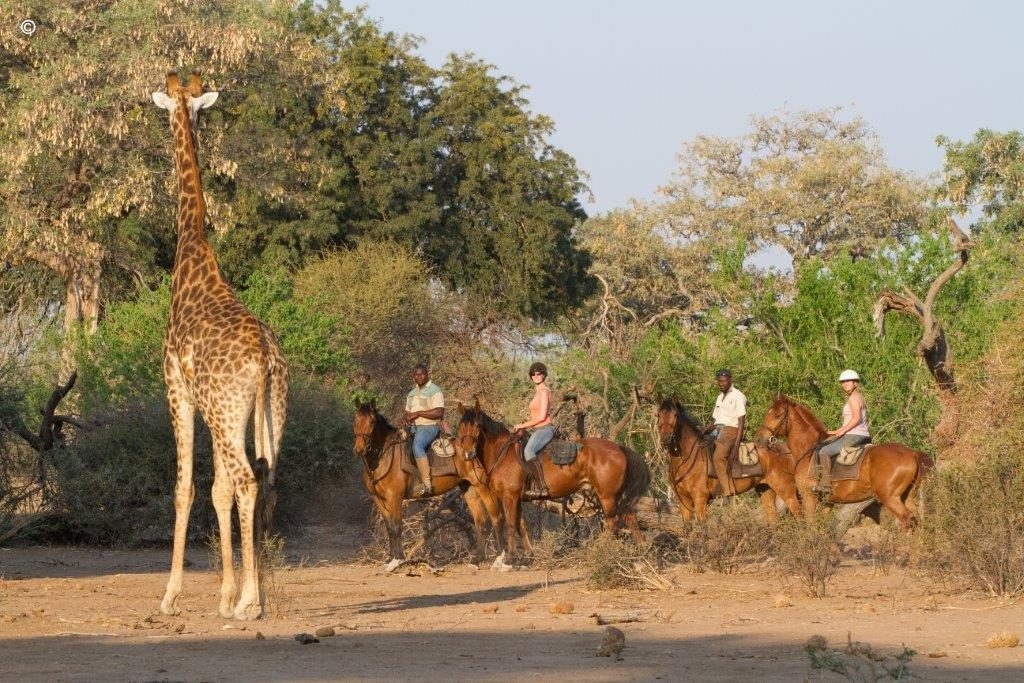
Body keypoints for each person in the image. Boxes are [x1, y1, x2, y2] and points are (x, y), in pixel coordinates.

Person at [812, 369, 871, 494]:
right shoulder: (857, 396)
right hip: (856, 433)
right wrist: (836, 431)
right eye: (843, 382)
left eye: (848, 381)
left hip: (854, 435)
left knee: (824, 452)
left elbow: (856, 418)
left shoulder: (853, 398)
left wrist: (842, 431)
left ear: (855, 382)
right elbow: (851, 420)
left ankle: (825, 485)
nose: (845, 384)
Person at [403, 364, 445, 497]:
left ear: (427, 374)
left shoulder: (435, 390)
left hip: (430, 427)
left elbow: (439, 412)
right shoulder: (411, 393)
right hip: (412, 427)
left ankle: (427, 485)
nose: (419, 377)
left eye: (421, 374)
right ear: (413, 376)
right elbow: (407, 412)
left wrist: (418, 413)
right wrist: (405, 419)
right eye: (416, 374)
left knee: (417, 446)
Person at [512, 361, 553, 499]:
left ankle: (542, 487)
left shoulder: (544, 391)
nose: (535, 376)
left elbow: (542, 417)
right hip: (537, 430)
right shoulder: (537, 392)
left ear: (544, 375)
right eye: (533, 374)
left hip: (545, 428)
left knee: (529, 451)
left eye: (538, 373)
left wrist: (523, 425)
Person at [703, 368, 746, 498]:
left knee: (718, 457)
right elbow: (715, 421)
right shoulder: (719, 397)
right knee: (699, 447)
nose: (721, 383)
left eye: (724, 381)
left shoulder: (738, 396)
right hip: (717, 430)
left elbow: (741, 421)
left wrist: (736, 444)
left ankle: (728, 490)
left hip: (731, 430)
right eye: (719, 381)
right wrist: (703, 431)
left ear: (730, 380)